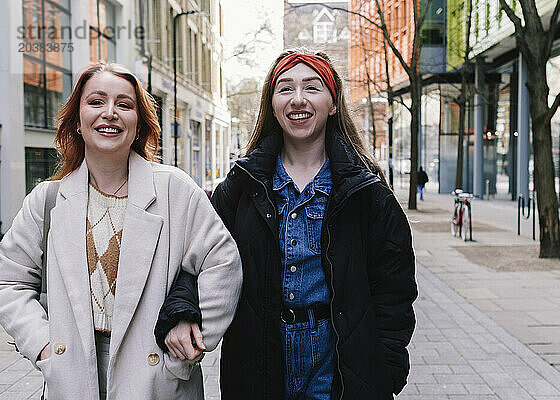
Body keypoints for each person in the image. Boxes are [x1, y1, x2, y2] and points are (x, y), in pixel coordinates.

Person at [155, 50, 417, 399]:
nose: (298, 99)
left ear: (333, 103)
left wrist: (386, 371)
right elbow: (198, 257)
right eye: (285, 88)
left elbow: (394, 292)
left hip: (338, 369)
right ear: (272, 103)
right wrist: (183, 312)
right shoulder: (241, 187)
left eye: (312, 87)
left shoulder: (366, 192)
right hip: (259, 366)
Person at [0, 61, 242, 400]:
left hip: (156, 376)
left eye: (124, 105)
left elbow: (223, 266)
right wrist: (42, 347)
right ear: (77, 120)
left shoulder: (175, 190)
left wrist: (184, 352)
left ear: (138, 123)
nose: (110, 113)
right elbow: (9, 281)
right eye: (96, 102)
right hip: (71, 374)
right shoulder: (48, 200)